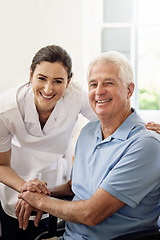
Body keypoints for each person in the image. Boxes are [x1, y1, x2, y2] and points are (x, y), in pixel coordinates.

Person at [17, 51, 160, 240]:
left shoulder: (146, 145)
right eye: (93, 84)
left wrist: (39, 200)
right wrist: (39, 191)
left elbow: (91, 214)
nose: (99, 91)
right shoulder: (87, 133)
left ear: (129, 90)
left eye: (108, 82)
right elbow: (73, 187)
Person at [0, 44, 98, 240]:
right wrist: (27, 190)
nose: (48, 89)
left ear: (69, 81)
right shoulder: (7, 109)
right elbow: (1, 165)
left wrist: (139, 125)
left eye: (58, 81)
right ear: (31, 75)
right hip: (16, 190)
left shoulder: (76, 96)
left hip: (56, 190)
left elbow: (110, 118)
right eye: (42, 78)